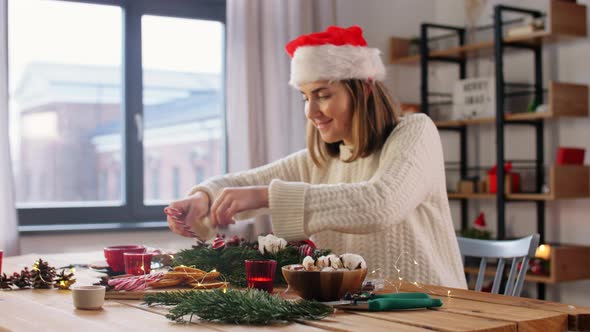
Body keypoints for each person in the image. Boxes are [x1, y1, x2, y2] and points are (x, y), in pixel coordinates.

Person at [165, 25, 467, 289]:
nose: (311, 112)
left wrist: (265, 197)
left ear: (362, 88)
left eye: (322, 95)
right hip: (355, 311)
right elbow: (248, 181)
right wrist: (204, 198)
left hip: (433, 306)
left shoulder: (416, 131)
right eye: (305, 97)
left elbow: (381, 203)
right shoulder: (321, 160)